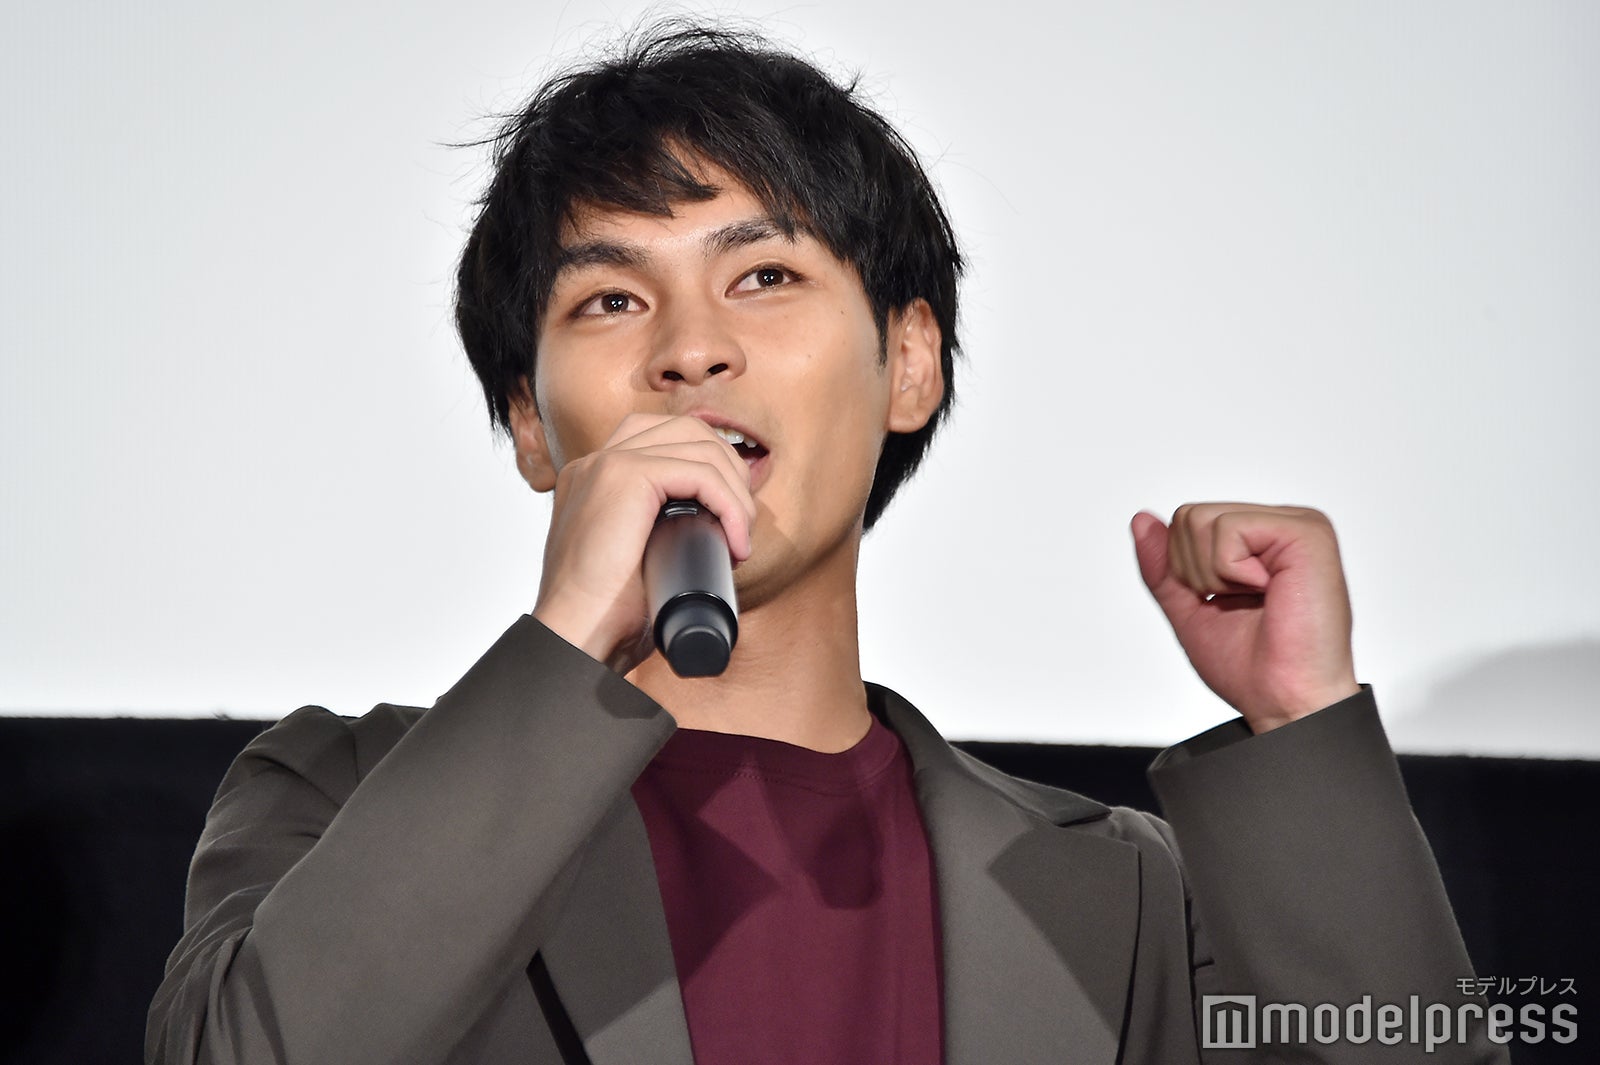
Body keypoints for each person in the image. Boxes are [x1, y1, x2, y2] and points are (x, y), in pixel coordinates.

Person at [147, 24, 1505, 1065]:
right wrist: (565, 638)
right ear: (531, 428)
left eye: (765, 276)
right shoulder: (336, 792)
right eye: (611, 299)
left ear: (908, 362)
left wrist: (1302, 725)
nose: (692, 350)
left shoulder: (1128, 892)